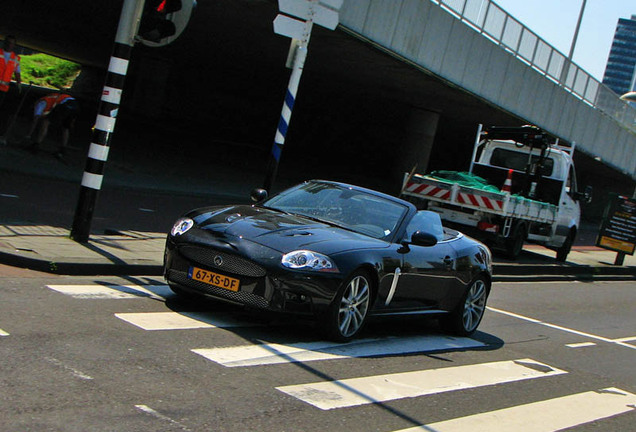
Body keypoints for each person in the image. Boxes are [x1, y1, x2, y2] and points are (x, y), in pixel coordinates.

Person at [26, 92, 79, 160]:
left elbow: (35, 120)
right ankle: (63, 148)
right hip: (75, 106)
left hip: (64, 105)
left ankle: (36, 144)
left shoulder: (41, 103)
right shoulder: (51, 97)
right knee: (65, 127)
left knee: (45, 122)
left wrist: (28, 135)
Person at [0, 35, 21, 108]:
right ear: (4, 43)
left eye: (11, 43)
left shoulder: (15, 58)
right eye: (8, 42)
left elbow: (17, 72)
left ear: (14, 45)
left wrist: (19, 84)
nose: (9, 45)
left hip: (3, 89)